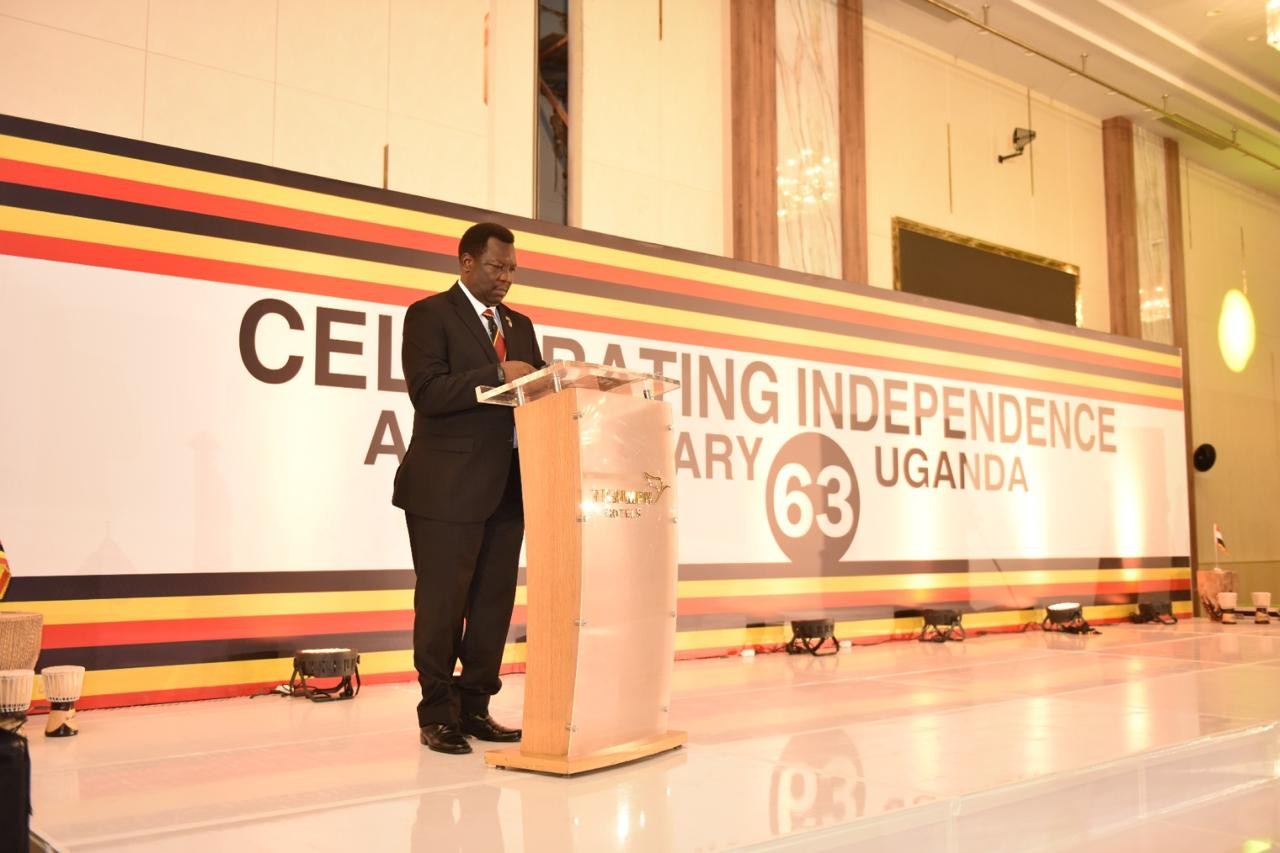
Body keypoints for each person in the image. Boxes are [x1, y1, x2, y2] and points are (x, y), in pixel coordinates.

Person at [393, 221, 545, 754]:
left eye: (512, 270)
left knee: (491, 606)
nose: (506, 278)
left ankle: (475, 705)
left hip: (508, 488)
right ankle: (437, 713)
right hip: (445, 489)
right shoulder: (429, 314)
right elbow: (428, 392)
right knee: (442, 605)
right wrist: (498, 374)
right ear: (466, 262)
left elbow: (535, 392)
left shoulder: (521, 325)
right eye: (496, 267)